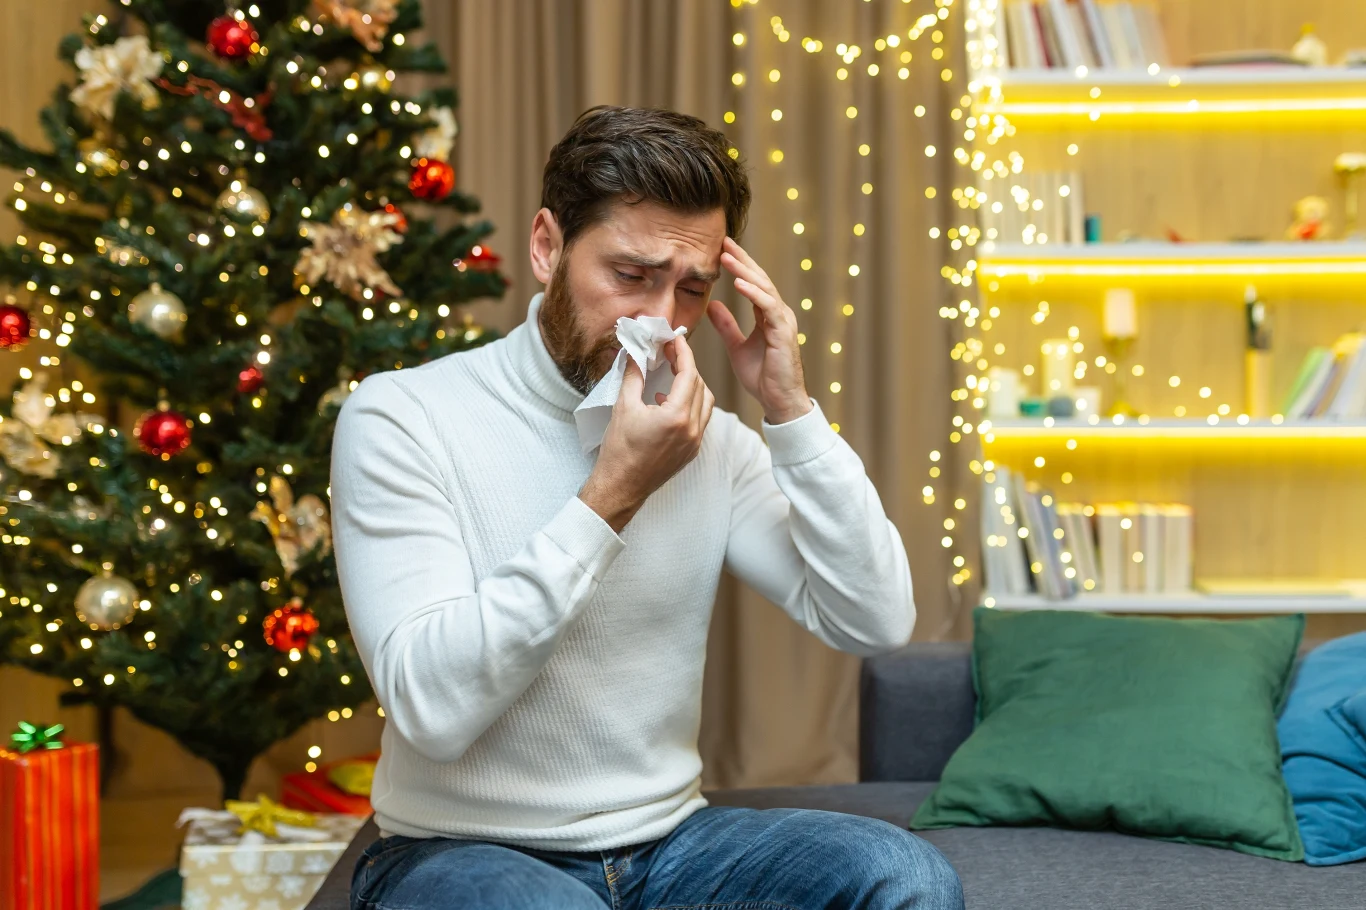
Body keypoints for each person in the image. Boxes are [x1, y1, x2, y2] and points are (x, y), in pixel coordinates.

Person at [331, 105, 962, 910]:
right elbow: (432, 710)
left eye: (692, 288)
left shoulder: (710, 441)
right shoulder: (404, 417)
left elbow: (873, 621)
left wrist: (791, 413)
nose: (661, 322)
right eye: (630, 276)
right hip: (458, 851)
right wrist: (610, 498)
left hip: (671, 847)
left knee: (903, 875)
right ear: (547, 246)